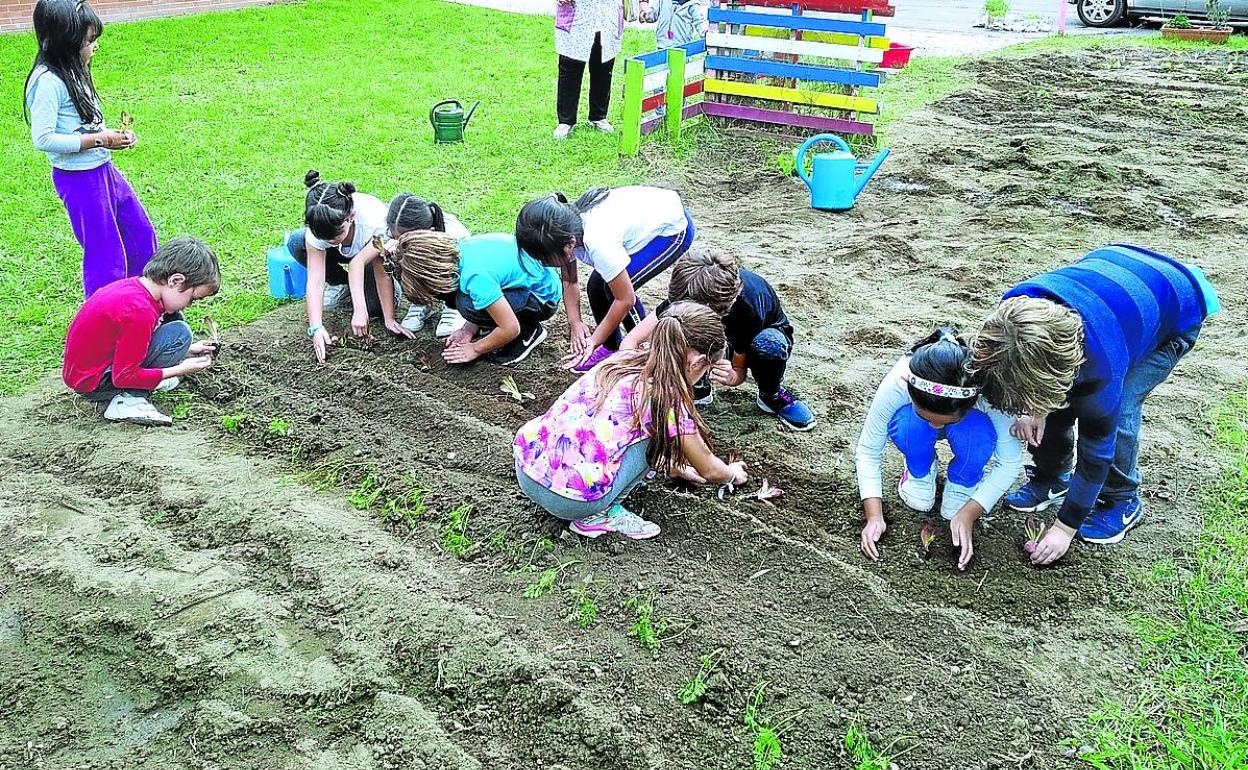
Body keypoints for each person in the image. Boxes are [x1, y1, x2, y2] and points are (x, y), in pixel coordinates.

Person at [970, 244, 1220, 566]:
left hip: (1179, 305)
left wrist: (1064, 528)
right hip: (1116, 275)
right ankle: (1053, 477)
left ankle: (1123, 499)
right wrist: (1031, 408)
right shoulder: (1011, 318)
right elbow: (1021, 370)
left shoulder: (1103, 367)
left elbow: (1096, 453)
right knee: (1056, 403)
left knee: (1122, 405)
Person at [514, 302, 748, 539]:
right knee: (657, 435)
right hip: (571, 501)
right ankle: (598, 516)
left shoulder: (622, 359)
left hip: (527, 469)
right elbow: (707, 467)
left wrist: (674, 466)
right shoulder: (666, 398)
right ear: (696, 362)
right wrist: (731, 474)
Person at [857, 329, 1024, 570]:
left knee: (977, 431)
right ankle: (919, 469)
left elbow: (1009, 463)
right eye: (925, 415)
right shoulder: (899, 382)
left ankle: (965, 479)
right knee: (909, 427)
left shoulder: (989, 393)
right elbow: (868, 450)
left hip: (971, 428)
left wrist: (969, 514)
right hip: (913, 428)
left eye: (947, 421)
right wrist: (874, 516)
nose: (936, 426)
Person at [24, 0, 156, 298]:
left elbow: (81, 124)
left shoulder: (73, 70)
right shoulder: (47, 82)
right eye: (89, 41)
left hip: (104, 170)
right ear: (65, 42)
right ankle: (106, 324)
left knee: (140, 235)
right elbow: (42, 138)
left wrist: (112, 137)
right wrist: (99, 140)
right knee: (105, 256)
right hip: (80, 180)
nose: (94, 46)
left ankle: (143, 305)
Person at [620, 246, 815, 431]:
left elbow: (739, 371)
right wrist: (627, 377)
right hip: (718, 336)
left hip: (755, 339)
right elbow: (632, 340)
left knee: (769, 344)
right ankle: (699, 386)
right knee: (675, 331)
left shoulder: (748, 309)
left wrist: (731, 376)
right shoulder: (689, 291)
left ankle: (770, 394)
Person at [515, 186, 695, 371]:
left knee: (614, 290)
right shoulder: (564, 228)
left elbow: (625, 300)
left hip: (671, 230)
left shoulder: (598, 243)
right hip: (644, 219)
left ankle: (645, 354)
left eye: (544, 259)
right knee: (596, 285)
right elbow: (570, 281)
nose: (543, 264)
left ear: (569, 245)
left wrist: (593, 340)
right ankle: (611, 348)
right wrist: (575, 322)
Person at [62, 236, 221, 426]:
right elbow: (123, 376)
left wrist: (189, 350)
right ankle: (128, 400)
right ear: (175, 281)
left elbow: (126, 343)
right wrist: (181, 369)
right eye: (192, 298)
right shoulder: (139, 312)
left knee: (176, 322)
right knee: (179, 333)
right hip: (95, 383)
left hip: (91, 371)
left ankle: (143, 384)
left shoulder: (136, 290)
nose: (189, 305)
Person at [382, 231, 562, 366]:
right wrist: (467, 330)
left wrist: (475, 349)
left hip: (543, 299)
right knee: (463, 301)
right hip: (529, 285)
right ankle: (493, 325)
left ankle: (529, 332)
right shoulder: (459, 253)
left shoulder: (476, 277)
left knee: (465, 304)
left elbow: (509, 327)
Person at [290, 171, 411, 364]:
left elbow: (380, 272)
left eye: (333, 237)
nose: (328, 242)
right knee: (296, 242)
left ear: (351, 217)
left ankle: (382, 296)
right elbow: (315, 280)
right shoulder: (320, 224)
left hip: (372, 258)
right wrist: (316, 328)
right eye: (323, 238)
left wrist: (387, 318)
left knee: (374, 309)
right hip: (350, 255)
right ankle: (341, 285)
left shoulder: (375, 223)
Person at [381, 192, 471, 336]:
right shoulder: (391, 231)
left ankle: (453, 307)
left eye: (404, 238)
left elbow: (467, 273)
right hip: (423, 274)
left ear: (427, 232)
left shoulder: (455, 236)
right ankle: (421, 301)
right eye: (395, 237)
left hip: (457, 282)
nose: (398, 240)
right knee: (398, 256)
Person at [553, 0, 623, 139]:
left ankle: (598, 116)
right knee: (569, 67)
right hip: (578, 13)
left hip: (607, 14)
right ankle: (566, 120)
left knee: (603, 67)